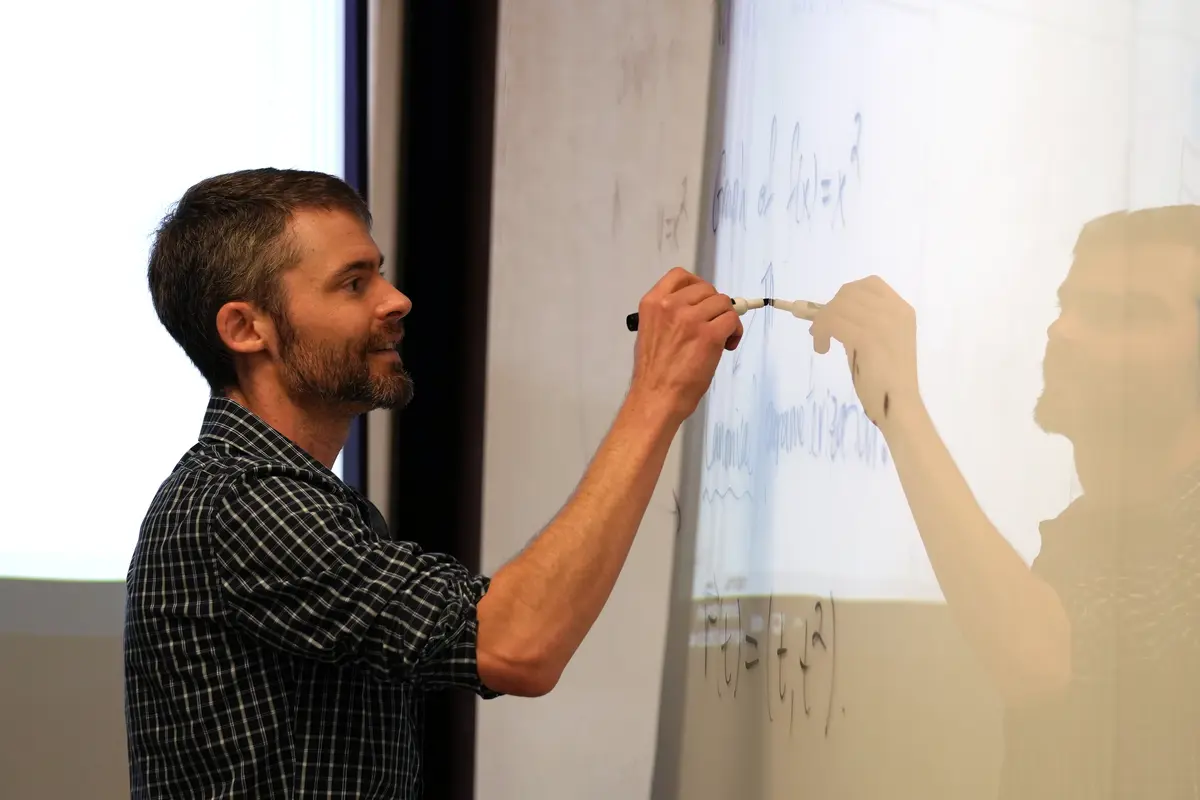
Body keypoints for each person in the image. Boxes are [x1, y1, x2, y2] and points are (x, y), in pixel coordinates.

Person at [123, 167, 743, 799]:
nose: (396, 301)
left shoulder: (277, 495)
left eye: (379, 273)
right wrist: (658, 392)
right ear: (246, 329)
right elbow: (516, 643)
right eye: (354, 283)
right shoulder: (246, 503)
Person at [810, 205, 1200, 798]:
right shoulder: (1087, 534)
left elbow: (1042, 662)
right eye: (1068, 304)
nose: (1063, 331)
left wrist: (900, 406)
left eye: (1119, 313)